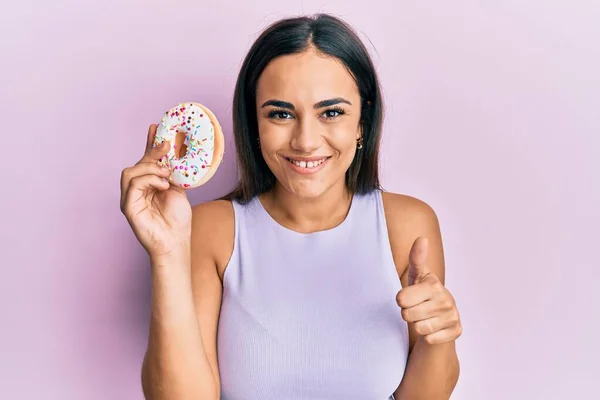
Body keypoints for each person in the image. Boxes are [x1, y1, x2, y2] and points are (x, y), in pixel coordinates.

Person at [120, 13, 462, 400]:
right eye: (281, 114)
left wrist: (440, 336)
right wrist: (166, 255)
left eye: (331, 112)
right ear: (255, 123)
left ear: (362, 123)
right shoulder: (211, 230)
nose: (305, 141)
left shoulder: (408, 225)